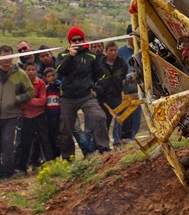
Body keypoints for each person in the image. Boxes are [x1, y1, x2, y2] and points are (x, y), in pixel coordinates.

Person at [56, 27, 110, 159]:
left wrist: (96, 89)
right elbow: (60, 71)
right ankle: (68, 158)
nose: (77, 42)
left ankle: (104, 149)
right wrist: (70, 56)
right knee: (66, 128)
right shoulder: (62, 55)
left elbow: (101, 75)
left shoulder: (92, 55)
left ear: (83, 39)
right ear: (70, 42)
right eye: (74, 40)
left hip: (86, 96)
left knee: (100, 117)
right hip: (68, 97)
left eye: (80, 39)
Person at [0, 45, 33, 180]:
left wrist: (16, 99)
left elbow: (30, 91)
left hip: (11, 115)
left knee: (8, 144)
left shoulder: (20, 74)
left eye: (9, 56)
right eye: (4, 57)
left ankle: (6, 173)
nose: (7, 60)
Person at [15, 62, 54, 172]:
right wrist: (31, 102)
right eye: (28, 69)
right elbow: (18, 102)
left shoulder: (40, 83)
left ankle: (51, 164)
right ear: (24, 71)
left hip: (39, 115)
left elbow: (43, 101)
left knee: (44, 141)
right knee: (25, 143)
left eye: (33, 69)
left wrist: (27, 100)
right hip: (26, 116)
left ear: (36, 71)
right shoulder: (20, 84)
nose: (31, 72)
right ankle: (21, 167)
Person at [96, 42, 129, 145]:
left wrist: (124, 93)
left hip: (117, 95)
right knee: (104, 121)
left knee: (118, 119)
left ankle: (117, 141)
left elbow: (125, 80)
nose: (113, 53)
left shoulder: (122, 63)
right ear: (106, 51)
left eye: (115, 50)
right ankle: (103, 144)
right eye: (111, 50)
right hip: (103, 97)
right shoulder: (99, 64)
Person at [43, 68, 61, 159]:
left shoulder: (61, 87)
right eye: (49, 76)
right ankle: (51, 158)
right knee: (51, 137)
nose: (52, 78)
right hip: (49, 117)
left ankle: (59, 156)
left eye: (53, 75)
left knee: (59, 137)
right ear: (45, 78)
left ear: (56, 75)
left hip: (60, 116)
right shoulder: (45, 89)